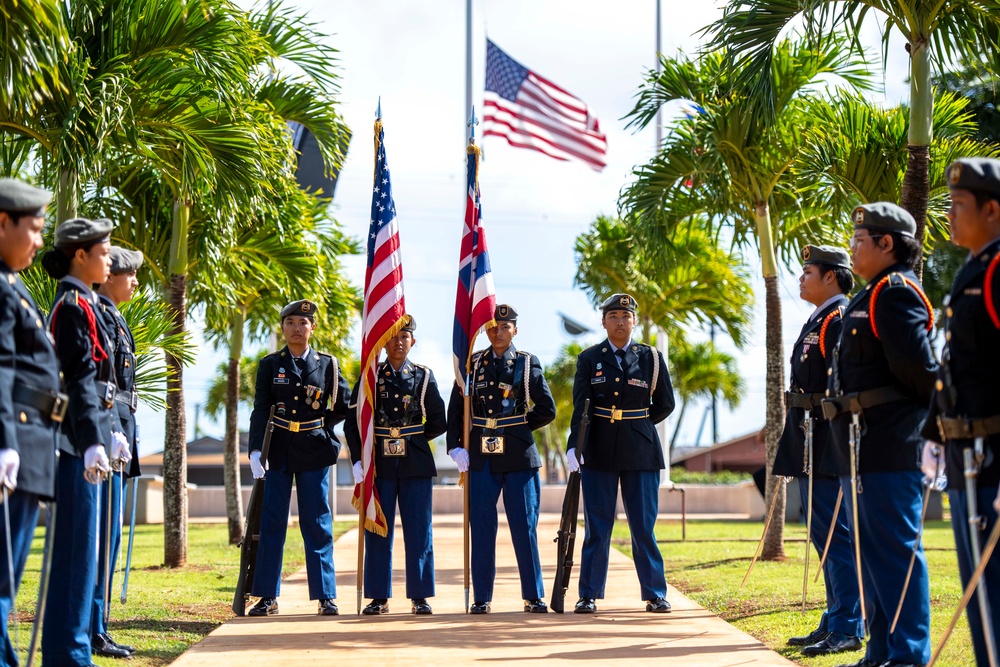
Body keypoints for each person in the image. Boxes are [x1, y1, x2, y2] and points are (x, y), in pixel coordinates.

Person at [824, 203, 937, 667]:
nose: (852, 248)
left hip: (890, 444)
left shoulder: (895, 293)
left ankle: (908, 655)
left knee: (896, 554)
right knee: (872, 556)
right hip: (863, 446)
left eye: (858, 240)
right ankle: (882, 652)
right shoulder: (870, 294)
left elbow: (921, 373)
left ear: (886, 244)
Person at [40, 217, 130, 667]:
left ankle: (72, 647)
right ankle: (68, 652)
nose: (110, 258)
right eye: (104, 250)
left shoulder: (88, 304)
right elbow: (77, 380)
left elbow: (102, 383)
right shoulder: (71, 305)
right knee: (78, 550)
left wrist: (112, 432)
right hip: (75, 443)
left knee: (86, 550)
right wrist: (95, 438)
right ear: (80, 255)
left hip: (89, 438)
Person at [922, 157, 1000, 667]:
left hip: (995, 453)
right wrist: (934, 435)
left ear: (993, 210)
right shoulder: (973, 268)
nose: (949, 214)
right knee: (981, 596)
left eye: (959, 205)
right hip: (966, 453)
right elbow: (954, 367)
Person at [773, 245, 863, 656]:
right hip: (810, 438)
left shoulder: (838, 319)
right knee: (821, 533)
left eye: (808, 271)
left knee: (835, 536)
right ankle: (834, 616)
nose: (801, 278)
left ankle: (848, 624)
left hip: (828, 442)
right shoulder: (819, 319)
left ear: (832, 276)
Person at [566, 293, 675, 614]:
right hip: (598, 449)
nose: (619, 321)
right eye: (613, 316)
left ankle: (655, 593)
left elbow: (666, 404)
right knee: (598, 527)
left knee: (643, 526)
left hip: (641, 451)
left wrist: (636, 424)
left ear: (634, 322)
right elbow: (581, 405)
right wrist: (575, 444)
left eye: (625, 316)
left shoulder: (651, 358)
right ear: (603, 322)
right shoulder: (589, 358)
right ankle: (588, 594)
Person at [446, 304, 556, 614]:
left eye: (505, 326)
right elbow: (457, 409)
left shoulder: (526, 363)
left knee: (524, 526)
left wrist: (518, 428)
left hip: (519, 457)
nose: (498, 331)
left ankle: (533, 596)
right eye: (493, 326)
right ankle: (482, 597)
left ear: (515, 330)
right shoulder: (472, 363)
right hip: (481, 456)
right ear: (485, 329)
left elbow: (547, 408)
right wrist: (455, 445)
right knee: (481, 527)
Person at [246, 299, 351, 617]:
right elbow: (261, 408)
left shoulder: (328, 364)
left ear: (312, 328)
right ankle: (266, 596)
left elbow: (344, 404)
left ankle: (326, 595)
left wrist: (324, 429)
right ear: (282, 328)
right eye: (290, 322)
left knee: (317, 522)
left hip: (314, 449)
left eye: (302, 323)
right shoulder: (269, 364)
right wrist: (254, 450)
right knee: (272, 522)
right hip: (278, 449)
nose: (296, 328)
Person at [0, 179, 63, 667]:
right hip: (15, 443)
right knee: (2, 577)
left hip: (32, 442)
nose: (40, 240)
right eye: (36, 228)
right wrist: (5, 441)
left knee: (8, 577)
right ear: (4, 223)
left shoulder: (12, 285)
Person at [344, 315, 446, 615]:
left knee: (419, 530)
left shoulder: (424, 376)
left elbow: (438, 420)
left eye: (405, 337)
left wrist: (412, 437)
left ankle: (420, 595)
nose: (398, 342)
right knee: (378, 529)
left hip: (415, 463)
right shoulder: (370, 377)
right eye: (393, 337)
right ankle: (378, 596)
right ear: (383, 341)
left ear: (413, 342)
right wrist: (357, 459)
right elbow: (353, 423)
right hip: (380, 464)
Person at [90, 246, 144, 658]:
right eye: (130, 274)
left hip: (119, 436)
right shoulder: (98, 314)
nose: (135, 282)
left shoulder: (116, 317)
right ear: (109, 276)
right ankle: (91, 626)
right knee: (98, 538)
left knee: (110, 536)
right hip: (106, 436)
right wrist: (109, 431)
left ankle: (99, 624)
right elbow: (98, 386)